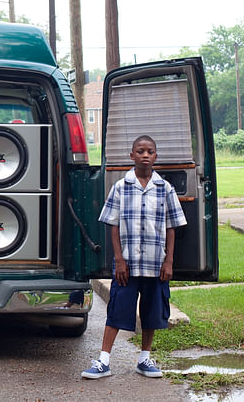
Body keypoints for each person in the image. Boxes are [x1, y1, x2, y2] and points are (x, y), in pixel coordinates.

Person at [81, 135, 186, 379]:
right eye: (140, 151)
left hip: (155, 264)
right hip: (127, 265)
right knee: (118, 308)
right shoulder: (120, 187)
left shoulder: (164, 188)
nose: (145, 155)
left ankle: (144, 359)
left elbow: (172, 226)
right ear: (132, 156)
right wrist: (119, 259)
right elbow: (113, 224)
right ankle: (103, 361)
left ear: (156, 156)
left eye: (150, 151)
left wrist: (169, 261)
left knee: (151, 312)